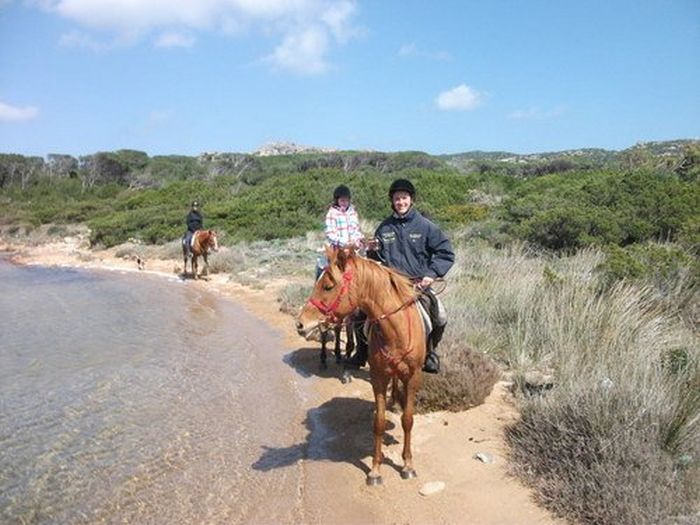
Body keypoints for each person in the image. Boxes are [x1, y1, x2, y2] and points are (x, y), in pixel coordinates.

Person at [346, 178, 455, 374]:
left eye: (404, 198)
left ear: (411, 199)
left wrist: (431, 274)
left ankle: (429, 353)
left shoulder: (426, 227)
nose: (401, 202)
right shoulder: (385, 227)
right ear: (392, 201)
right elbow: (376, 258)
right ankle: (361, 353)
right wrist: (372, 251)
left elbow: (445, 252)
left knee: (440, 316)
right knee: (359, 313)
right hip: (388, 286)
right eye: (397, 199)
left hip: (417, 284)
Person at [316, 185, 364, 278]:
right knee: (326, 272)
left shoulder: (353, 212)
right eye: (342, 200)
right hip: (337, 249)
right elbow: (330, 234)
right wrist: (344, 243)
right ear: (337, 200)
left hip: (352, 249)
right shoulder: (332, 213)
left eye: (346, 200)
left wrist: (357, 240)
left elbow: (356, 229)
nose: (344, 203)